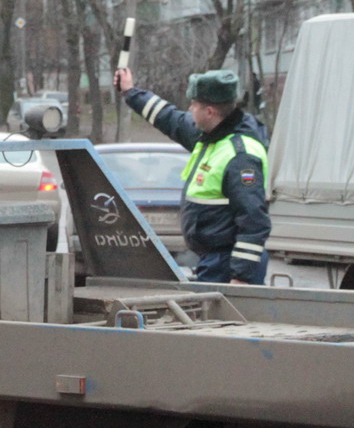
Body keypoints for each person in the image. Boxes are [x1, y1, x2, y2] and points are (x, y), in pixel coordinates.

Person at [114, 66, 271, 284]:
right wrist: (130, 92)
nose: (189, 109)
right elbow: (168, 117)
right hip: (213, 260)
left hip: (229, 264)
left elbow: (253, 222)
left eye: (194, 104)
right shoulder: (210, 135)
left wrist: (241, 277)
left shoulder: (240, 156)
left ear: (209, 112)